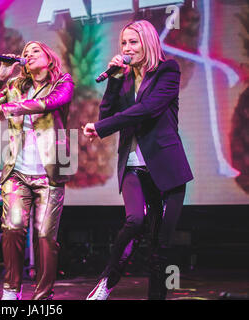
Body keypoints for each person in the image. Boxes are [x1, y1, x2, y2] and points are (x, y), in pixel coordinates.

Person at [83, 20, 193, 300]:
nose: (128, 48)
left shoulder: (168, 71)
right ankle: (107, 280)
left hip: (166, 169)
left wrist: (102, 128)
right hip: (132, 165)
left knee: (160, 245)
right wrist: (115, 80)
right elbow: (106, 116)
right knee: (134, 220)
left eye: (134, 42)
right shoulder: (124, 79)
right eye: (124, 43)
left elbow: (148, 109)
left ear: (148, 42)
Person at [0, 41, 74, 300]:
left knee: (45, 237)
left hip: (51, 169)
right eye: (24, 53)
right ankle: (11, 291)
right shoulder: (14, 87)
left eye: (35, 51)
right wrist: (0, 77)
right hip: (17, 170)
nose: (28, 55)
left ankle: (43, 296)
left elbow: (50, 103)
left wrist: (6, 109)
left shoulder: (63, 82)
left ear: (49, 57)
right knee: (12, 227)